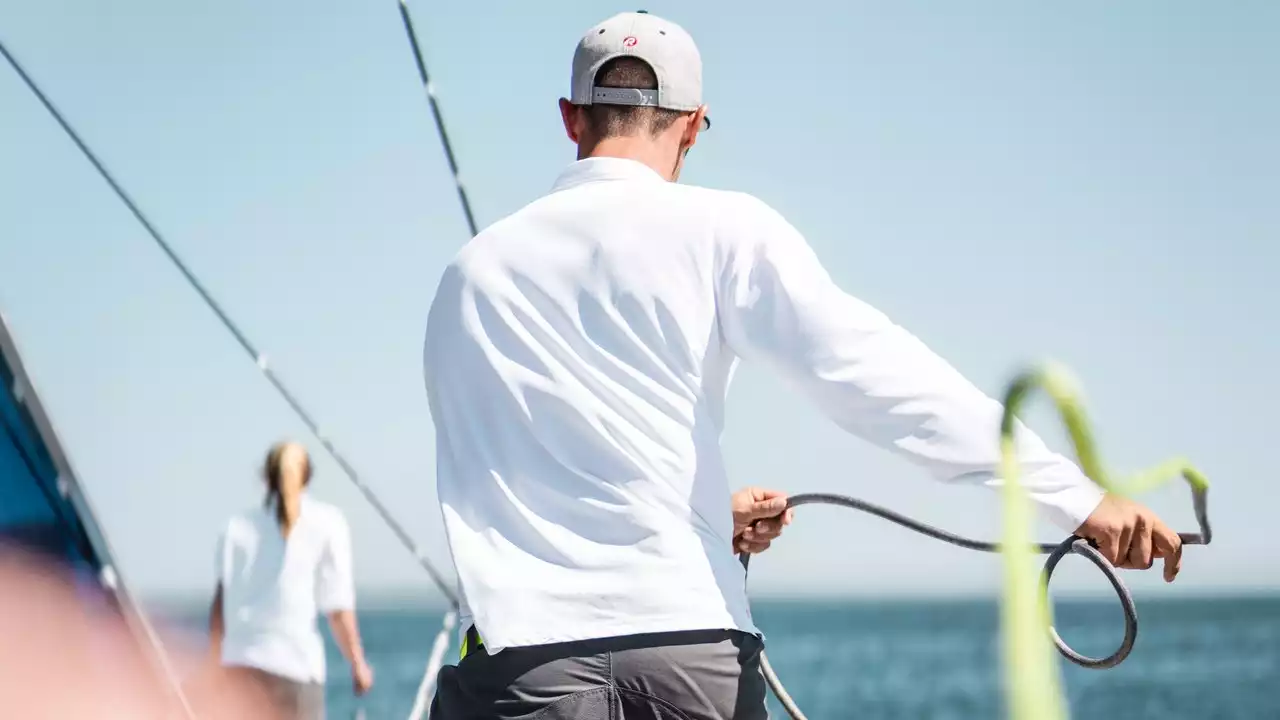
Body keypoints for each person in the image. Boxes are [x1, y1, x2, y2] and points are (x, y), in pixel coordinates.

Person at [421, 10, 1184, 719]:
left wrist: (709, 521)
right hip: (693, 659)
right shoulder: (724, 229)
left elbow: (508, 484)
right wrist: (1077, 498)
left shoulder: (468, 277)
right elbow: (875, 376)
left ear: (570, 119)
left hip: (521, 675)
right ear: (691, 128)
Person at [207, 441, 373, 720]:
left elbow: (219, 609)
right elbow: (338, 607)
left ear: (265, 477)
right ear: (308, 475)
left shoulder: (236, 528)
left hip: (237, 669)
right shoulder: (328, 522)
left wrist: (212, 665)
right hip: (295, 669)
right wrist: (358, 665)